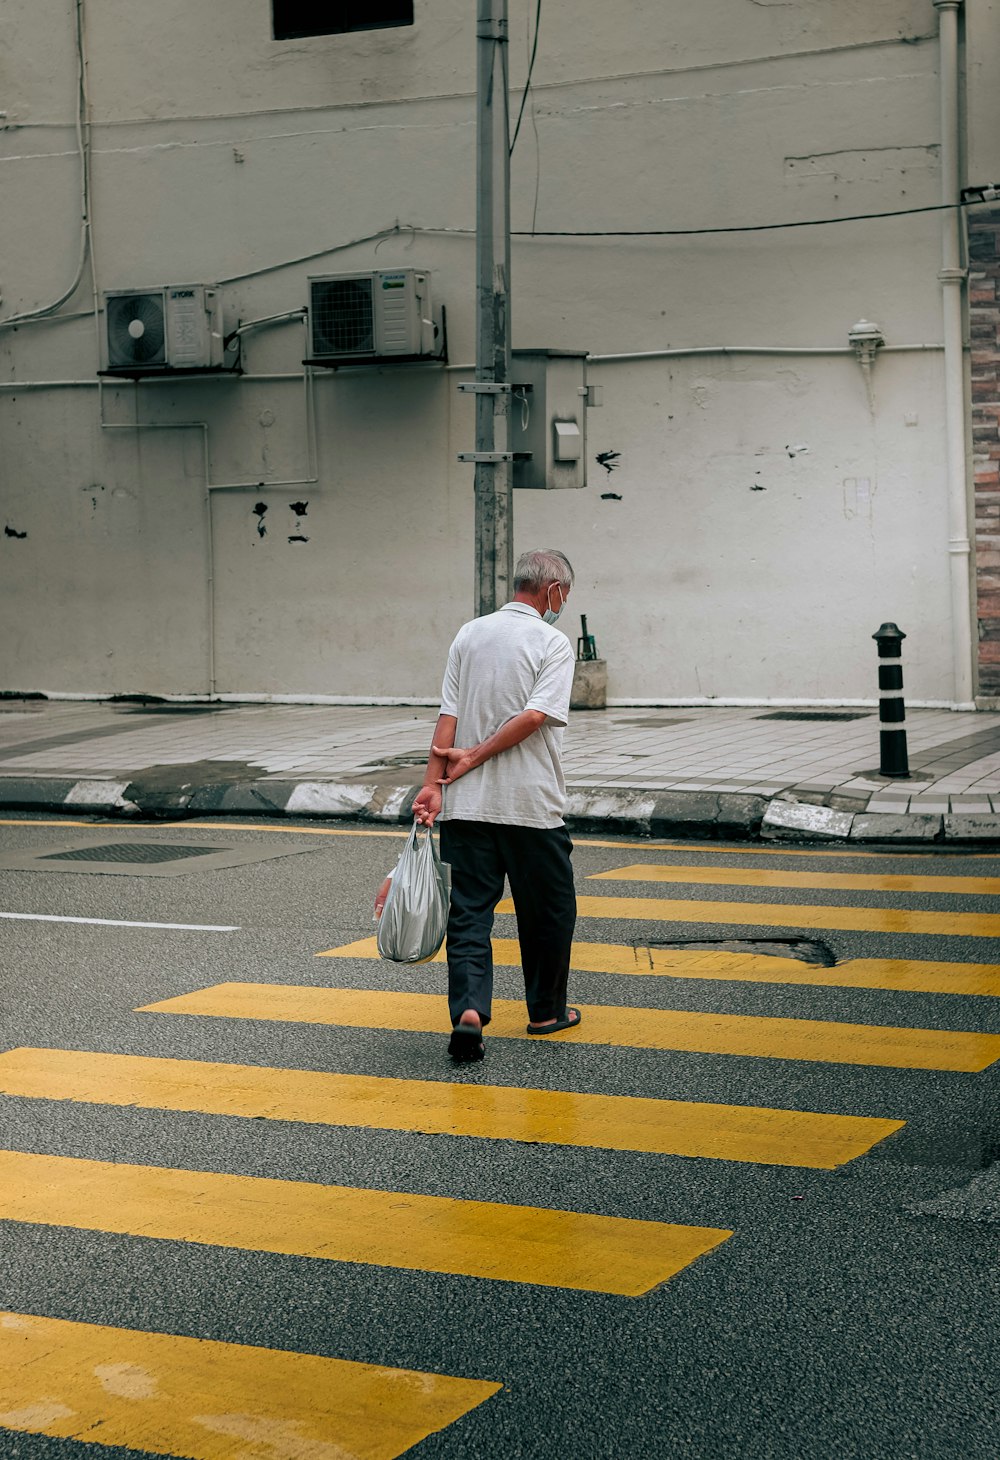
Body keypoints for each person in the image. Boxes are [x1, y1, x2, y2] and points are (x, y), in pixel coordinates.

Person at [413, 548, 581, 1063]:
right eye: (564, 596)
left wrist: (434, 783)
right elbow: (535, 717)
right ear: (551, 590)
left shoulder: (470, 633)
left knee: (468, 915)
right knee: (548, 912)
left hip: (466, 808)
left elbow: (448, 717)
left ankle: (468, 1012)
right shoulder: (552, 642)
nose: (563, 604)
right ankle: (546, 1012)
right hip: (530, 806)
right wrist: (474, 758)